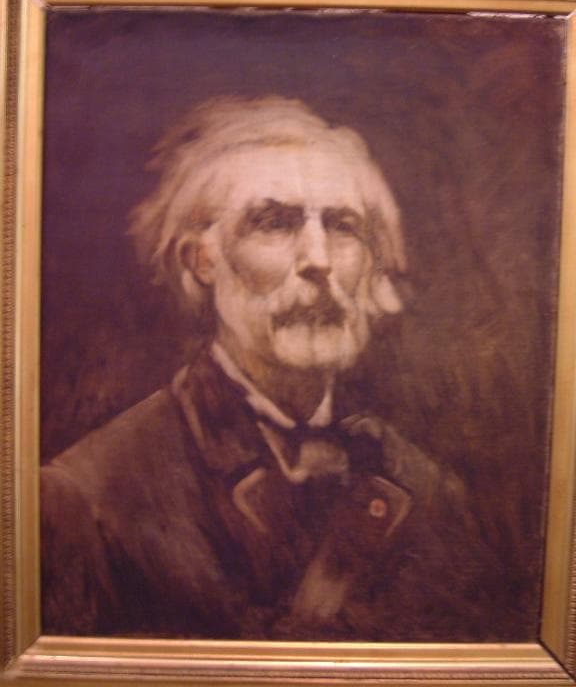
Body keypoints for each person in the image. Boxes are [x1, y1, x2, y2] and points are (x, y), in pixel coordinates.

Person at [41, 96, 497, 641]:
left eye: (343, 227)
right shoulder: (89, 497)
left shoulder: (427, 491)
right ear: (202, 261)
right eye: (275, 223)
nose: (319, 260)